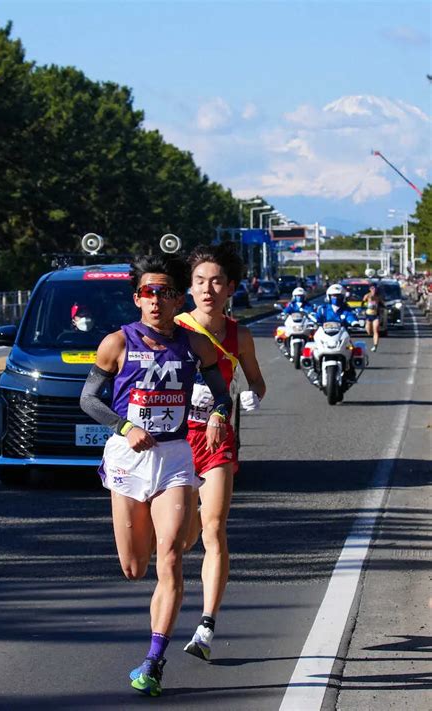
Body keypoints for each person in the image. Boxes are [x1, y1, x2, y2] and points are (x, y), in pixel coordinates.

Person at [80, 253, 232, 697]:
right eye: (149, 293)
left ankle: (153, 662)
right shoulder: (116, 342)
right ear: (137, 299)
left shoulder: (194, 344)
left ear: (177, 298)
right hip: (128, 459)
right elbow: (89, 399)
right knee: (134, 567)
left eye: (166, 293)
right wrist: (126, 428)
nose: (157, 300)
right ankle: (171, 541)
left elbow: (222, 393)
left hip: (174, 456)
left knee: (171, 556)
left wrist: (219, 413)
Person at [175, 242, 266, 662]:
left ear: (230, 288)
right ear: (189, 288)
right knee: (180, 537)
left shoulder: (239, 335)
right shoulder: (172, 328)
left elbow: (256, 382)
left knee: (214, 529)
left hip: (216, 439)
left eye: (216, 282)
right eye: (199, 282)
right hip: (173, 439)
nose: (207, 289)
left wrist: (251, 398)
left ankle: (206, 625)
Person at [309, 283, 360, 387]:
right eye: (333, 296)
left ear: (343, 297)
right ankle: (315, 371)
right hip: (325, 336)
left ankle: (350, 373)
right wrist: (312, 320)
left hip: (341, 336)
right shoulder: (322, 309)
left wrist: (354, 322)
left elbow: (351, 317)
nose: (336, 298)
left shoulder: (346, 309)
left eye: (338, 296)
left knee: (352, 350)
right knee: (312, 350)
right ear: (328, 296)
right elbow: (316, 317)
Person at [361, 283, 385, 352]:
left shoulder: (378, 297)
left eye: (375, 288)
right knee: (368, 331)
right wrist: (363, 310)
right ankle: (370, 332)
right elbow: (362, 304)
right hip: (368, 315)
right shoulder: (367, 296)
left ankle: (375, 346)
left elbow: (383, 304)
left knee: (376, 330)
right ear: (370, 289)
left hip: (376, 315)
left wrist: (383, 308)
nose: (373, 290)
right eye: (372, 288)